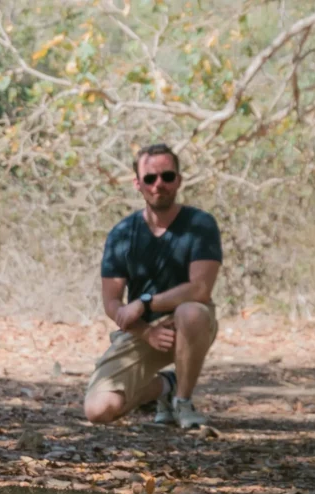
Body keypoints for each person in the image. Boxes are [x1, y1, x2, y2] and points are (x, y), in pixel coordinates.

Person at [83, 143, 222, 429]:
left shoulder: (201, 224)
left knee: (191, 312)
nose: (159, 184)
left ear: (179, 180)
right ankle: (166, 387)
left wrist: (145, 303)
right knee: (98, 410)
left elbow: (200, 289)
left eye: (167, 176)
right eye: (150, 178)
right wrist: (146, 332)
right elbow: (112, 303)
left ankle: (183, 402)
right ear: (138, 184)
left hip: (190, 324)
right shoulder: (122, 234)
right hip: (142, 331)